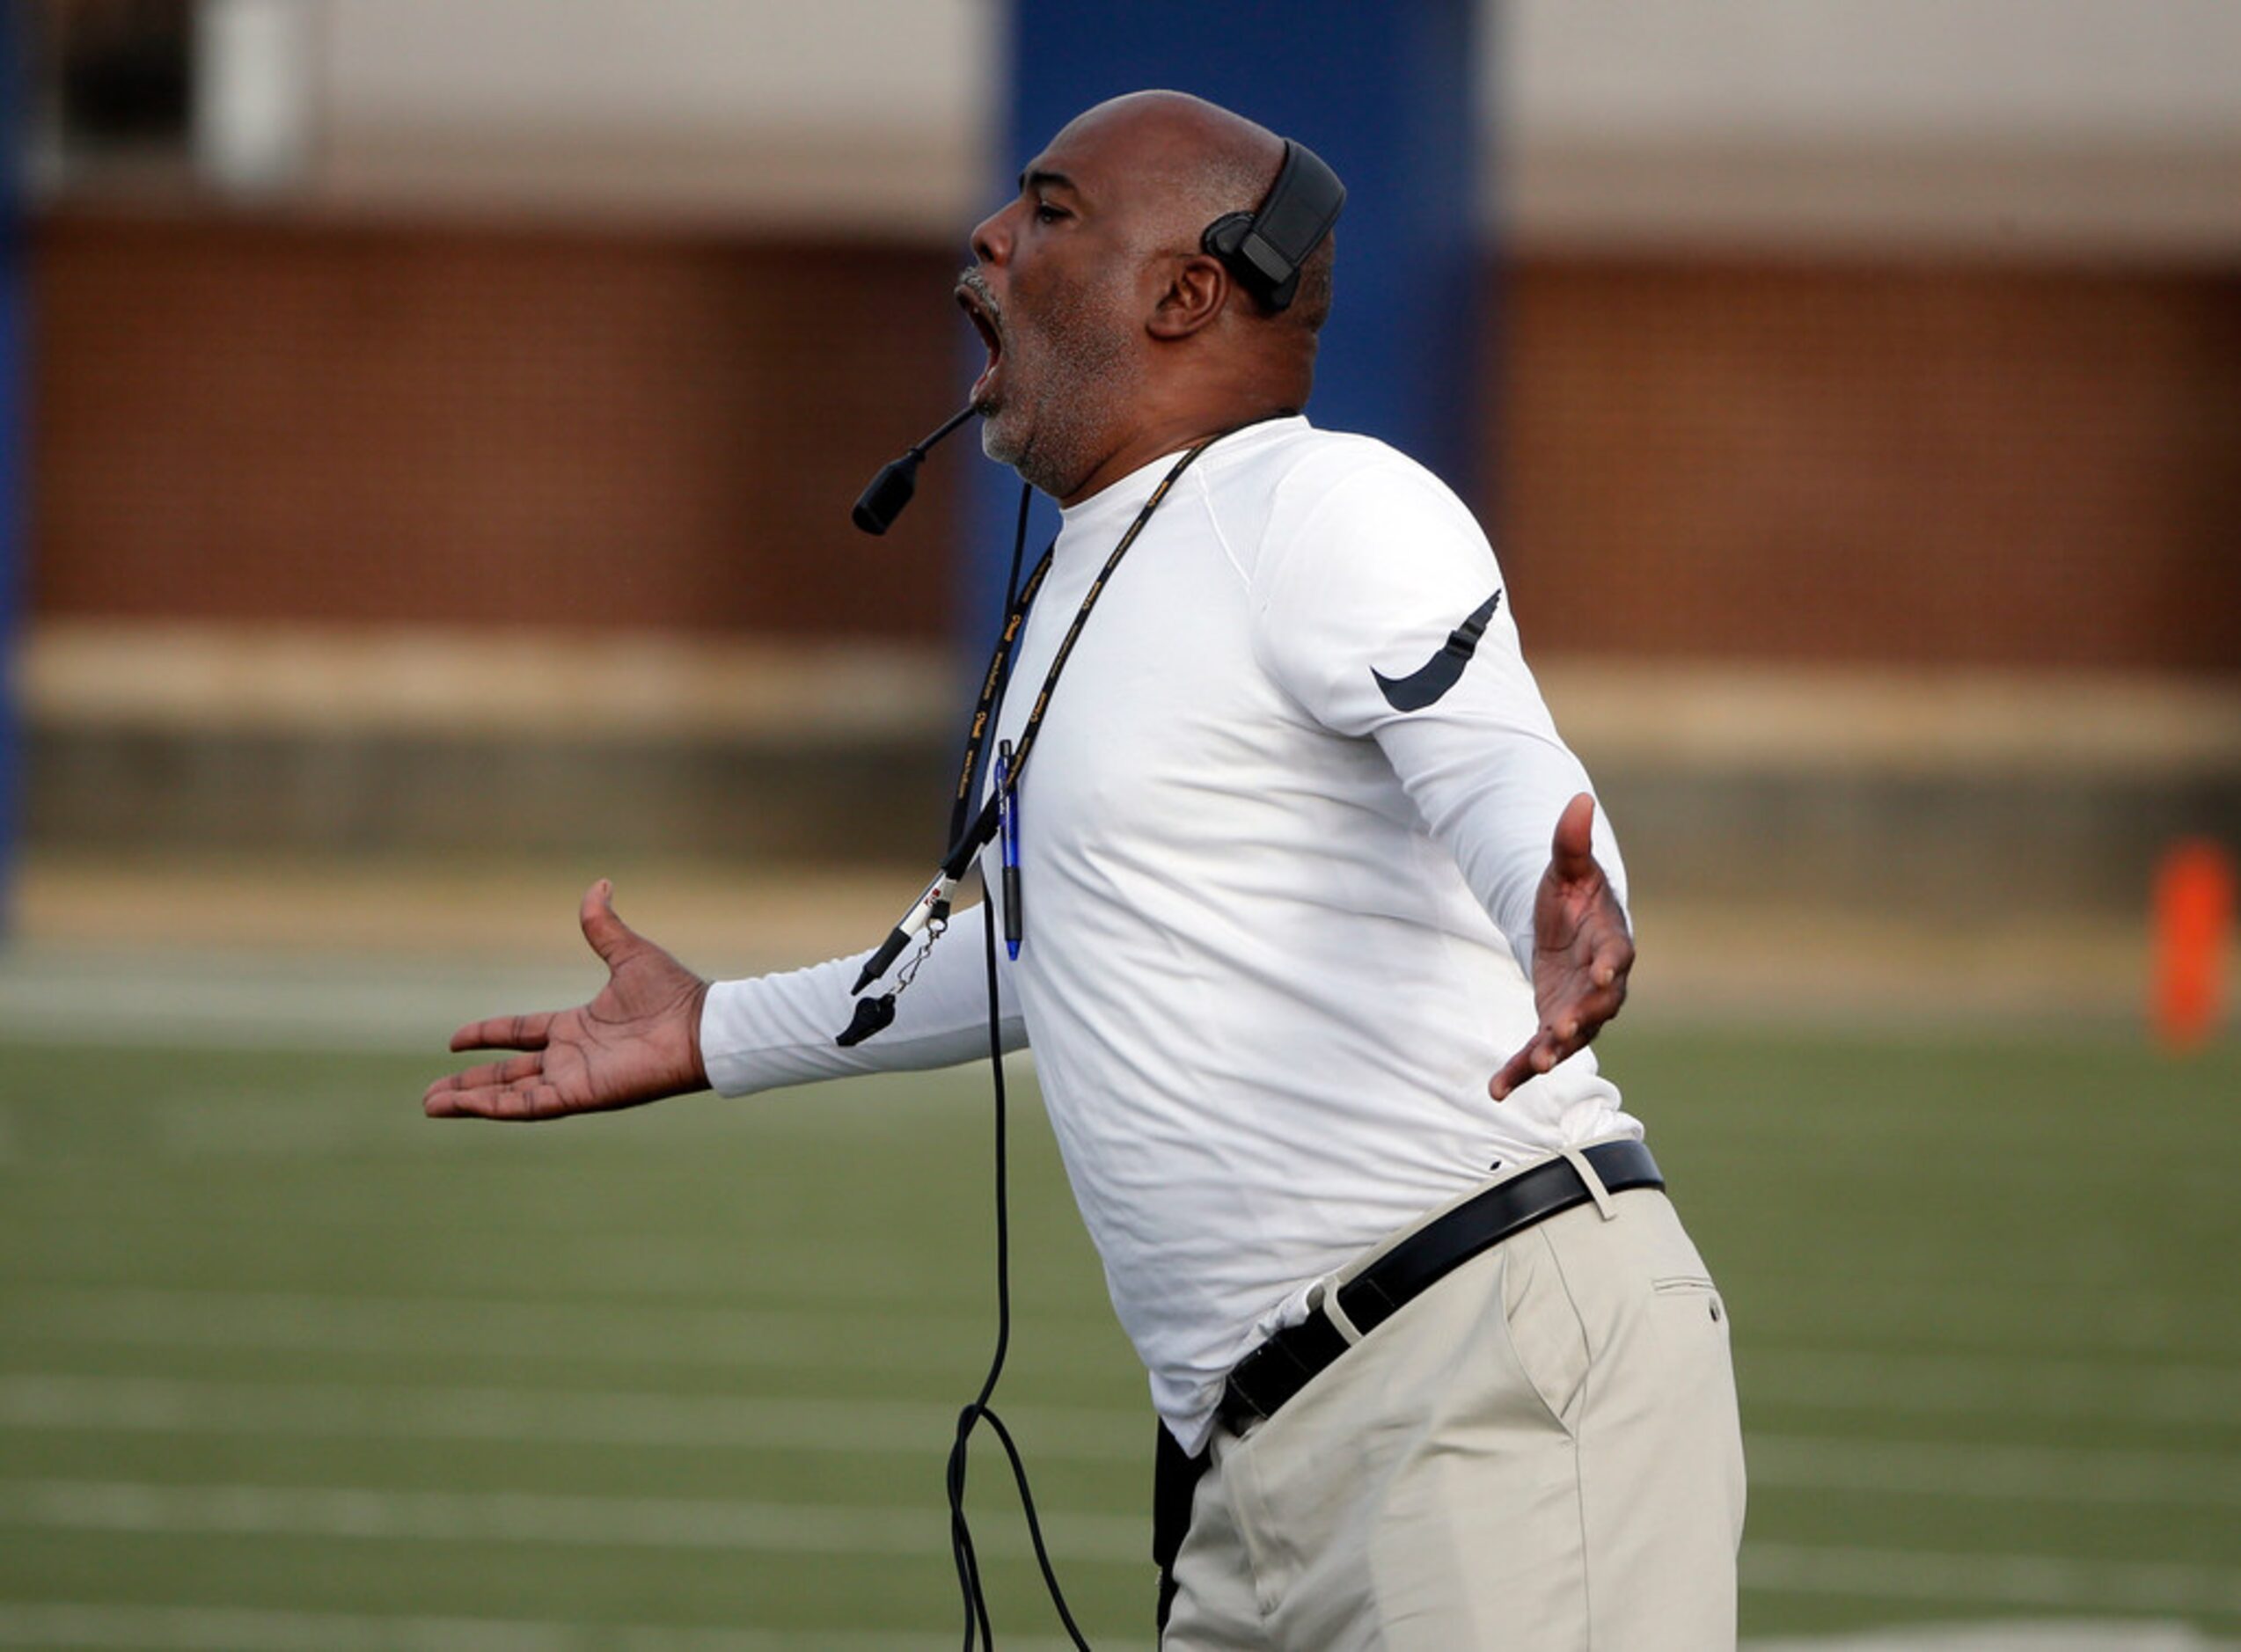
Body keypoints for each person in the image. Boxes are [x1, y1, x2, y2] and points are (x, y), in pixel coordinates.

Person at [425, 90, 1745, 1652]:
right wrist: (715, 1031)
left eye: (1050, 211)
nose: (989, 237)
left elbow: (1499, 762)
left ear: (1190, 291)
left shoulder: (1324, 504)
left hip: (1481, 1382)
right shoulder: (1095, 562)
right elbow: (1076, 943)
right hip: (1255, 1462)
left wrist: (1561, 893)